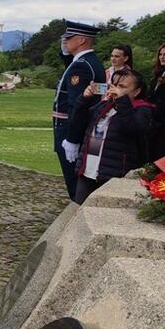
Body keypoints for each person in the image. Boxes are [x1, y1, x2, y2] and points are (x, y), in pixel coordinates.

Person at [69, 69, 154, 205]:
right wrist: (84, 99)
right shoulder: (104, 106)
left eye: (122, 86)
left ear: (137, 91)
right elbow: (78, 123)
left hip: (114, 173)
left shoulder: (142, 110)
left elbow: (132, 128)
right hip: (88, 169)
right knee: (78, 210)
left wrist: (122, 101)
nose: (116, 89)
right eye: (114, 85)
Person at [53, 20, 105, 201]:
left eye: (69, 38)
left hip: (71, 127)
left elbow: (78, 104)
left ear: (81, 40)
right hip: (81, 125)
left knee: (75, 183)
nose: (65, 41)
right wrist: (65, 52)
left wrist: (73, 139)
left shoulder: (81, 66)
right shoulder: (91, 62)